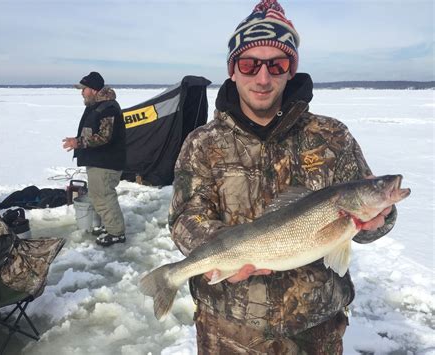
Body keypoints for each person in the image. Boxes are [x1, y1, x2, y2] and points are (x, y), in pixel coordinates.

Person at [168, 1, 397, 353]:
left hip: (315, 330)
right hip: (228, 329)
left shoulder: (331, 136)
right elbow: (184, 217)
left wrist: (380, 219)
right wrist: (230, 253)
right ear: (233, 70)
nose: (263, 78)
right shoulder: (203, 143)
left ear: (291, 70)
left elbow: (370, 211)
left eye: (277, 64)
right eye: (249, 64)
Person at [63, 71, 127, 247]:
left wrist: (79, 142)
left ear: (92, 89)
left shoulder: (108, 108)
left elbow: (105, 136)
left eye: (83, 89)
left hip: (106, 163)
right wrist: (79, 142)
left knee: (104, 196)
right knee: (98, 195)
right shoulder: (96, 106)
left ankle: (116, 233)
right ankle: (110, 226)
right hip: (98, 161)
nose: (81, 92)